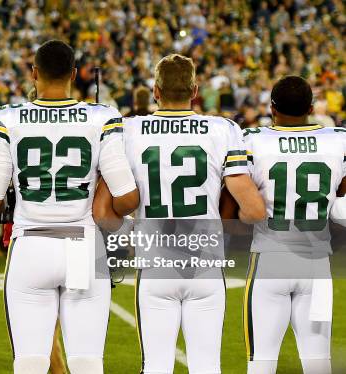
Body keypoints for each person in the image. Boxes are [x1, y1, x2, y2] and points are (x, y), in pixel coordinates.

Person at [0, 40, 139, 374]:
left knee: (31, 362)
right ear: (74, 75)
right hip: (81, 244)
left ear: (34, 73)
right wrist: (100, 187)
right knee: (86, 362)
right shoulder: (101, 117)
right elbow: (127, 198)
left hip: (31, 245)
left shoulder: (7, 117)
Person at [95, 54, 265, 373]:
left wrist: (127, 227)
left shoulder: (129, 130)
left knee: (157, 366)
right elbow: (254, 210)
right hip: (206, 263)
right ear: (195, 90)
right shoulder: (222, 128)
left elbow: (104, 215)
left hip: (156, 263)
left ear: (156, 91)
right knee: (206, 366)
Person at [242, 76, 345, 374]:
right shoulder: (338, 139)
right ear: (311, 108)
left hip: (270, 259)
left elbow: (238, 200)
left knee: (261, 363)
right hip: (317, 266)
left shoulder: (252, 139)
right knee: (318, 364)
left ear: (272, 108)